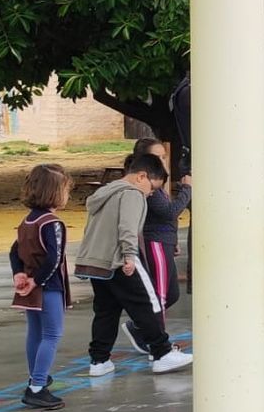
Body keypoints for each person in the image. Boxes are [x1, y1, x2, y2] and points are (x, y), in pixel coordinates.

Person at [77, 153, 193, 375]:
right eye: (152, 188)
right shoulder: (132, 195)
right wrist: (130, 256)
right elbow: (128, 228)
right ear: (142, 176)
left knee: (106, 311)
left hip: (95, 262)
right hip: (120, 259)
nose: (151, 194)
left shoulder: (105, 192)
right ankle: (162, 352)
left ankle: (99, 360)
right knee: (148, 302)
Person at [10, 164, 72, 410]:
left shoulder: (27, 221)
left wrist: (19, 274)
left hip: (31, 285)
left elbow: (15, 250)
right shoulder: (51, 222)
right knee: (52, 334)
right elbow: (54, 258)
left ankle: (36, 375)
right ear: (56, 193)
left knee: (35, 332)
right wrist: (38, 280)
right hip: (48, 285)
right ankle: (37, 386)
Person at [133, 138, 189, 330]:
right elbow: (169, 212)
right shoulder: (150, 190)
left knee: (171, 293)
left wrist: (173, 239)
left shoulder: (158, 187)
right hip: (154, 241)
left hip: (164, 239)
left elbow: (167, 216)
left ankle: (144, 327)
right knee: (161, 293)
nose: (162, 162)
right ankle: (158, 343)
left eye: (163, 157)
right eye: (157, 157)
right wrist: (187, 190)